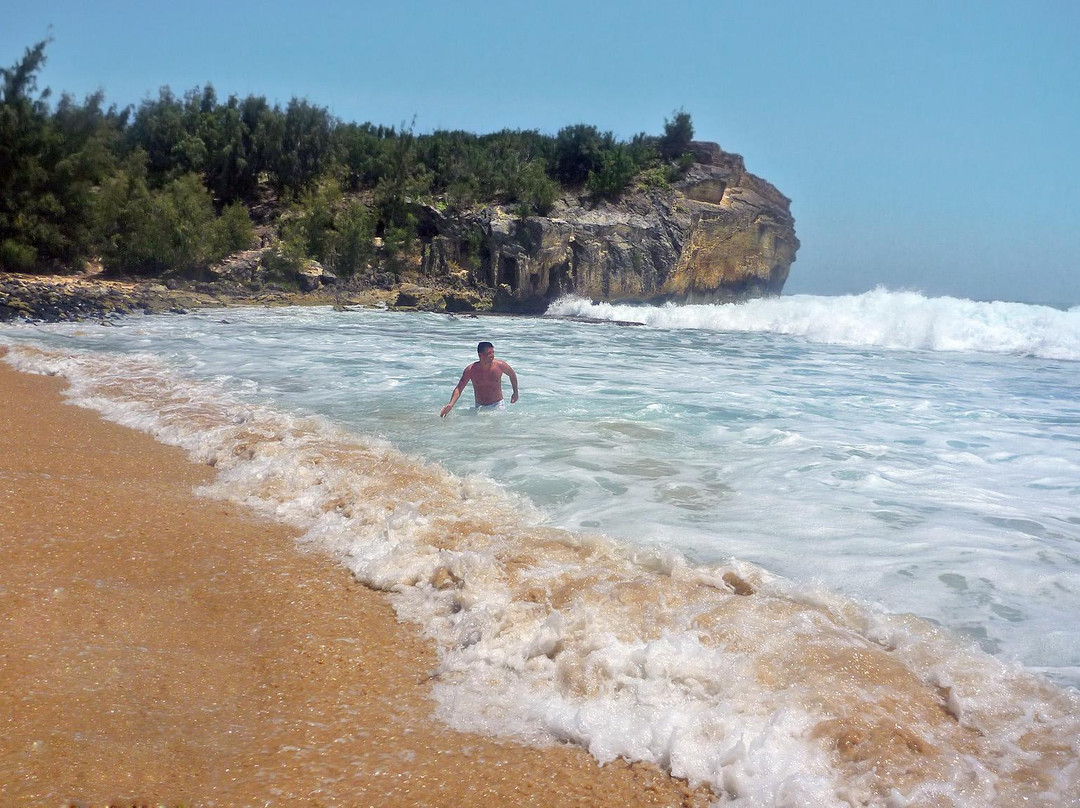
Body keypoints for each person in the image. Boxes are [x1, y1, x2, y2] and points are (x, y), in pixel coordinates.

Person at [440, 341, 519, 417]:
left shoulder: (500, 366)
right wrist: (451, 404)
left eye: (493, 352)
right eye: (489, 353)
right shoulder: (471, 370)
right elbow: (459, 388)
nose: (492, 355)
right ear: (480, 355)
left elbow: (512, 375)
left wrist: (515, 392)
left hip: (497, 406)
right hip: (479, 407)